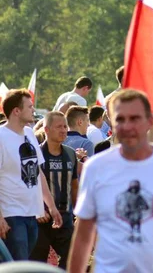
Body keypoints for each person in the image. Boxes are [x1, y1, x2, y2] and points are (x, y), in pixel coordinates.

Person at [67, 90, 153, 273]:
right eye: (120, 119)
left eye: (135, 118)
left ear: (150, 121)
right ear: (111, 122)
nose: (127, 126)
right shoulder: (96, 168)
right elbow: (83, 235)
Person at [0, 89, 63, 261]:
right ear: (16, 111)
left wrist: (51, 206)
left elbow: (38, 172)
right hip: (11, 213)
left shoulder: (29, 133)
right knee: (18, 265)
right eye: (29, 107)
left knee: (23, 262)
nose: (33, 110)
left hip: (32, 212)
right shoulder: (1, 137)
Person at [30, 112, 78, 269]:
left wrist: (78, 213)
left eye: (65, 126)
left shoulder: (71, 154)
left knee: (73, 259)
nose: (64, 130)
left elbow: (75, 185)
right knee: (37, 262)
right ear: (47, 129)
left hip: (65, 218)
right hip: (41, 220)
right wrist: (37, 210)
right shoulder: (35, 154)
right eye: (59, 126)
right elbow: (27, 185)